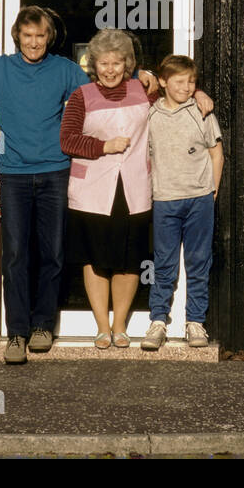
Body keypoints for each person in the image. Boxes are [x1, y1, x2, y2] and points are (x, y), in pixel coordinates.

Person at [0, 6, 212, 363]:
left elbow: (121, 79)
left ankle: (43, 327)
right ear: (17, 35)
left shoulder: (68, 71)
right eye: (28, 35)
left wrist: (179, 88)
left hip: (57, 174)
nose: (34, 42)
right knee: (17, 254)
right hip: (15, 172)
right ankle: (17, 332)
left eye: (41, 35)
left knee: (53, 255)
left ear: (49, 38)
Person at [59, 28, 154, 349]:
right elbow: (67, 140)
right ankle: (101, 326)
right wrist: (104, 146)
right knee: (96, 258)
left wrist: (197, 93)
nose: (110, 69)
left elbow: (177, 92)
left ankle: (120, 325)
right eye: (103, 63)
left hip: (135, 187)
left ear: (128, 64)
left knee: (129, 259)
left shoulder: (145, 91)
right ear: (93, 64)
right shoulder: (82, 95)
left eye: (117, 62)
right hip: (92, 191)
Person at [142, 54, 223, 350]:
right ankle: (158, 321)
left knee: (199, 262)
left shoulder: (201, 113)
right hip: (165, 200)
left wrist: (212, 189)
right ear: (163, 82)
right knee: (164, 264)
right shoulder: (150, 115)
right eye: (179, 82)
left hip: (199, 199)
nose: (186, 88)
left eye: (191, 82)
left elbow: (217, 153)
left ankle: (195, 322)